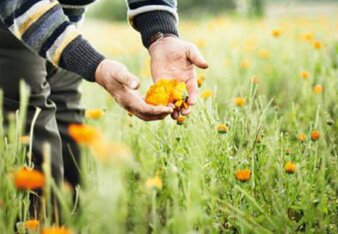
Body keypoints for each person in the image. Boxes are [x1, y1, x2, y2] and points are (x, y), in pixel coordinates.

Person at [0, 0, 208, 202]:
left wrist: (161, 36)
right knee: (33, 132)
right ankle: (36, 222)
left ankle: (73, 218)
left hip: (65, 22)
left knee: (69, 128)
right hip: (10, 21)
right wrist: (91, 63)